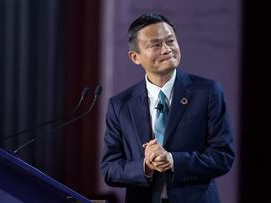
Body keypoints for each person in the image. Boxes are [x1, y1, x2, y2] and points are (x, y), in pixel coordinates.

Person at [100, 13, 235, 203]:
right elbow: (110, 169)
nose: (167, 49)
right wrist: (145, 166)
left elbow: (223, 156)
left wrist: (173, 160)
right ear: (135, 57)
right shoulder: (121, 105)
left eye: (171, 41)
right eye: (156, 45)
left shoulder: (208, 92)